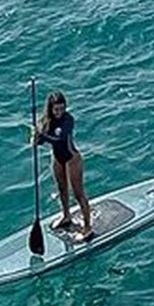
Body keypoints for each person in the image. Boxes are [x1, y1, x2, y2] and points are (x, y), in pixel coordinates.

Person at [33, 90, 93, 240]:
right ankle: (66, 216)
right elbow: (41, 141)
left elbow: (59, 139)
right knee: (62, 189)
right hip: (57, 158)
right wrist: (36, 138)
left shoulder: (68, 120)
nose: (59, 112)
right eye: (56, 109)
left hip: (72, 159)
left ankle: (87, 228)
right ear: (50, 109)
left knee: (78, 194)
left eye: (62, 108)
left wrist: (43, 136)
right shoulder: (45, 122)